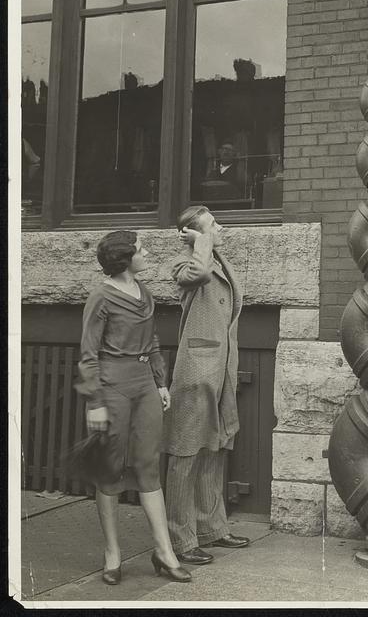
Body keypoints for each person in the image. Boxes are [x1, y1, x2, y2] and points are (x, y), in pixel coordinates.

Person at [75, 230, 191, 585]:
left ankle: (164, 552)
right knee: (110, 469)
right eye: (142, 249)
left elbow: (152, 341)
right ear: (125, 259)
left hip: (144, 385)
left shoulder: (144, 292)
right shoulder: (101, 297)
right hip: (112, 386)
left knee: (147, 465)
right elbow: (88, 354)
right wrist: (94, 402)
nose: (147, 253)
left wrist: (160, 381)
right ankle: (112, 553)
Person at [163, 205, 250, 566]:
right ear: (193, 234)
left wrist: (207, 242)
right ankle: (181, 540)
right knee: (186, 453)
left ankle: (212, 528)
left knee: (216, 447)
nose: (220, 226)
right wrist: (201, 242)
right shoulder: (186, 265)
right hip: (197, 371)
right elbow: (197, 274)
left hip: (222, 369)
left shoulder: (219, 261)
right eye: (213, 224)